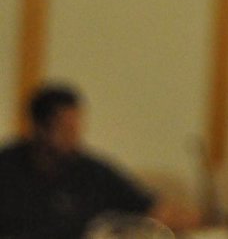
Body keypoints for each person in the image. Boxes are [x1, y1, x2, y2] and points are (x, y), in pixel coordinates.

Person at [0, 84, 179, 239]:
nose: (74, 138)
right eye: (66, 130)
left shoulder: (91, 172)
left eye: (76, 129)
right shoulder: (7, 166)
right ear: (40, 128)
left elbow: (151, 209)